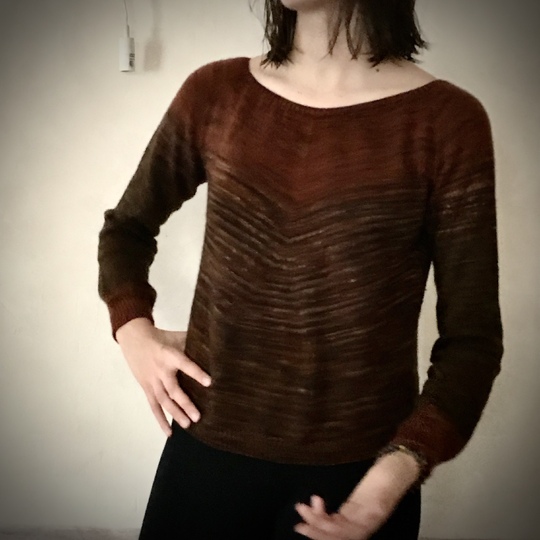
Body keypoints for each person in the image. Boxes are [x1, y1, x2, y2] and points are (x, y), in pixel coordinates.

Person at [97, 0, 504, 538]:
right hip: (205, 456)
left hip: (358, 484)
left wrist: (395, 474)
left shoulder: (447, 122)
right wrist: (133, 333)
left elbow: (472, 342)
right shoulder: (216, 93)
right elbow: (126, 229)